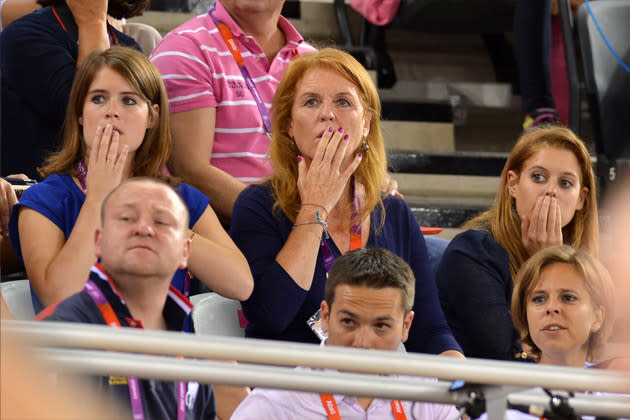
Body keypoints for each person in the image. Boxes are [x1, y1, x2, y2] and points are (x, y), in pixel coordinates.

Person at [229, 48, 462, 357]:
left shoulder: (392, 212)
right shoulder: (258, 206)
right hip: (290, 390)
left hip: (376, 390)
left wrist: (459, 380)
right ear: (288, 125)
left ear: (365, 123)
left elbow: (430, 330)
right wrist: (315, 208)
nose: (327, 114)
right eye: (311, 101)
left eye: (343, 101)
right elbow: (271, 316)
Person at [9, 47, 253, 313]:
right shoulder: (44, 200)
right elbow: (58, 298)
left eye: (128, 101)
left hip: (166, 352)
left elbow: (241, 284)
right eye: (99, 99)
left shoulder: (181, 198)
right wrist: (99, 199)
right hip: (81, 353)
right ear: (80, 114)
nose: (112, 111)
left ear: (152, 116)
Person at [36, 178, 217, 420]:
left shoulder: (191, 349)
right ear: (98, 242)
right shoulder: (64, 331)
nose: (143, 229)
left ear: (185, 252)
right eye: (126, 219)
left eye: (162, 221)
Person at [231, 247, 460, 419]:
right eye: (349, 321)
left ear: (406, 326)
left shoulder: (430, 399)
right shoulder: (276, 404)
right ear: (326, 316)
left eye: (380, 326)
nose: (362, 342)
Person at [436, 126, 598, 360]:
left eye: (565, 183)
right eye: (538, 177)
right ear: (513, 184)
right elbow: (508, 357)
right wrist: (543, 266)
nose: (551, 191)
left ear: (581, 199)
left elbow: (590, 352)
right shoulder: (472, 251)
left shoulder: (584, 265)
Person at [150, 0, 316, 221]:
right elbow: (189, 172)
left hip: (305, 227)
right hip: (225, 234)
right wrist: (281, 223)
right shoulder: (185, 48)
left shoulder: (313, 61)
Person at [0, 0, 146, 179]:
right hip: (46, 198)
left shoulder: (126, 44)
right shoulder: (24, 35)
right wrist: (92, 23)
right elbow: (91, 117)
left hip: (121, 193)